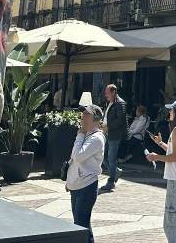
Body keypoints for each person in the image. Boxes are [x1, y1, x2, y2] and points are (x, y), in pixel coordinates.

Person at [146, 99, 176, 243]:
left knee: (171, 221)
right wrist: (160, 143)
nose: (169, 112)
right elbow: (175, 152)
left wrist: (155, 157)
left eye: (171, 110)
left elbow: (175, 157)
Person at [66, 104, 106, 243]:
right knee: (82, 225)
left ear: (95, 119)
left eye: (86, 114)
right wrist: (69, 180)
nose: (82, 117)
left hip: (86, 187)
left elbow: (78, 156)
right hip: (77, 186)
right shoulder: (86, 135)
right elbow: (74, 160)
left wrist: (80, 135)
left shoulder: (96, 138)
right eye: (83, 114)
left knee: (80, 225)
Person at [101, 83, 127, 192]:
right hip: (107, 133)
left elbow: (120, 120)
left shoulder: (120, 103)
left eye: (107, 93)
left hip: (114, 135)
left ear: (113, 92)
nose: (106, 95)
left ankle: (111, 182)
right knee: (101, 155)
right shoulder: (111, 102)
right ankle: (115, 171)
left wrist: (108, 127)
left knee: (111, 157)